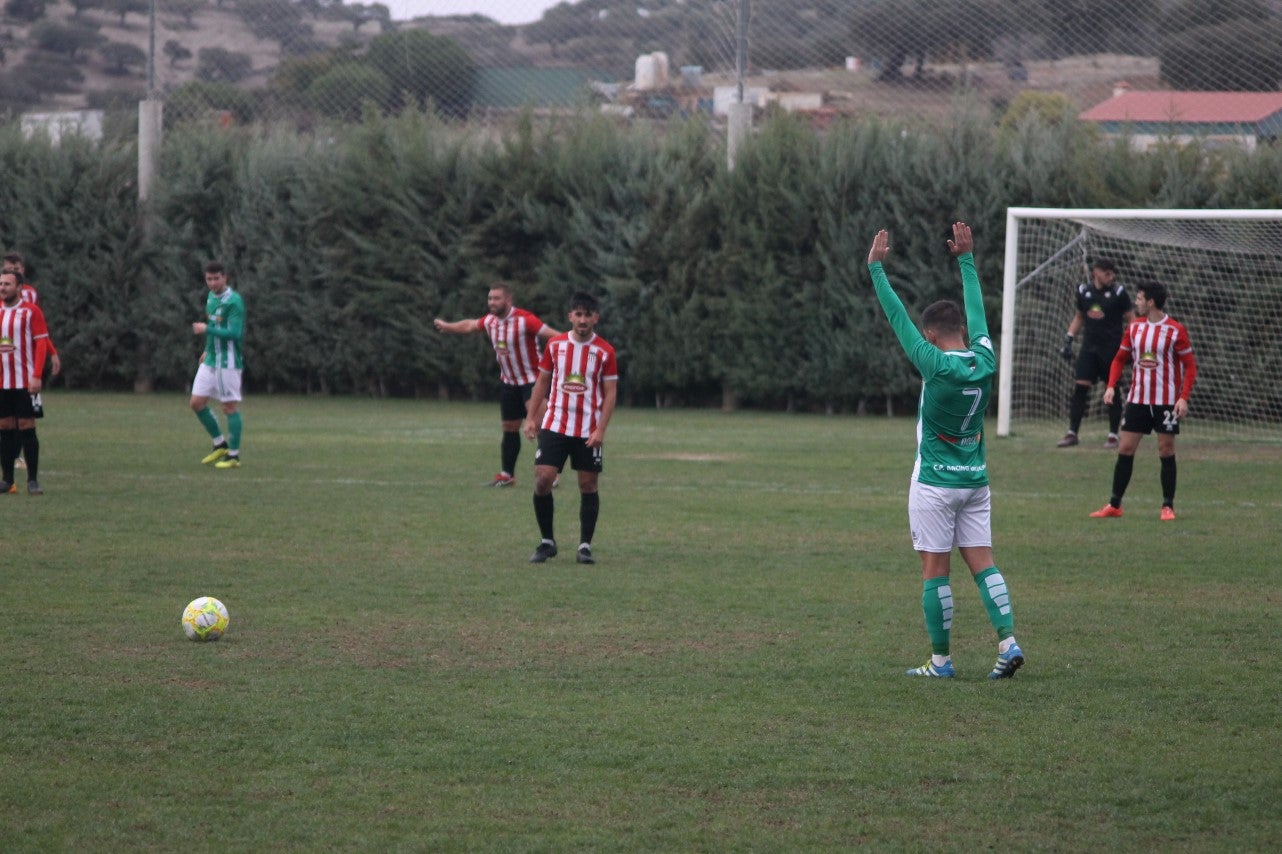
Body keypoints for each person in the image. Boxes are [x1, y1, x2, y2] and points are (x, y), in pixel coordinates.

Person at [866, 222, 1024, 680]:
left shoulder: (933, 364)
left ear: (931, 335)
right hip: (975, 480)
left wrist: (877, 269)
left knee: (935, 571)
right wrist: (967, 260)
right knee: (983, 562)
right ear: (961, 330)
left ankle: (941, 662)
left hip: (935, 483)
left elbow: (896, 316)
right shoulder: (985, 360)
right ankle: (1007, 641)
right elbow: (978, 313)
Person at [522, 291, 618, 565]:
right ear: (570, 316)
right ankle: (547, 542)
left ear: (596, 318)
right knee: (543, 478)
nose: (583, 319)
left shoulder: (605, 351)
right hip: (555, 424)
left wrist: (601, 429)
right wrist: (531, 418)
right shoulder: (555, 345)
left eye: (588, 314)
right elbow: (541, 383)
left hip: (588, 428)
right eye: (578, 314)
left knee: (588, 484)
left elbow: (610, 393)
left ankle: (584, 546)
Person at [1090, 279, 1196, 521]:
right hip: (1138, 399)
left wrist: (1183, 398)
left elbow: (1190, 366)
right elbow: (1119, 359)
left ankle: (1167, 506)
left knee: (1166, 450)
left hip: (1166, 401)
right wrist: (1110, 387)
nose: (1136, 302)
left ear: (1150, 302)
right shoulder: (1135, 328)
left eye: (1139, 298)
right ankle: (1114, 504)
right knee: (1125, 448)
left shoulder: (1175, 330)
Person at [434, 282, 560, 487]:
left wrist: (575, 349)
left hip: (533, 381)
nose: (492, 302)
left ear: (508, 300)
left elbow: (555, 336)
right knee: (510, 428)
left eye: (496, 298)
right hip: (509, 383)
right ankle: (507, 475)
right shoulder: (490, 321)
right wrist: (448, 327)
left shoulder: (525, 320)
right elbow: (470, 325)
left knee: (539, 425)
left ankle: (551, 471)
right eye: (490, 298)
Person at [1058, 257, 1133, 449]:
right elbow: (1079, 317)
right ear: (1096, 273)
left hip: (1112, 351)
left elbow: (1132, 320)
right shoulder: (1084, 292)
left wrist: (1135, 344)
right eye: (1107, 273)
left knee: (1112, 390)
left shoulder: (1119, 293)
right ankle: (1072, 433)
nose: (1111, 276)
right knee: (1080, 388)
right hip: (1089, 349)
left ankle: (1112, 435)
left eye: (1112, 273)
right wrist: (1068, 338)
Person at [3, 252, 63, 471]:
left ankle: (20, 458)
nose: (12, 271)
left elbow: (38, 331)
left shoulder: (30, 296)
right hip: (5, 369)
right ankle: (10, 464)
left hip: (25, 368)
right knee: (6, 421)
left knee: (26, 418)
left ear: (22, 272)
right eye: (8, 268)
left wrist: (52, 352)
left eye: (15, 268)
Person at [190, 261, 246, 469]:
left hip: (228, 361)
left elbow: (234, 333)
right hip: (212, 358)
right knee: (196, 403)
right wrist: (207, 348)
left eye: (216, 278)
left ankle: (234, 456)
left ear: (225, 278)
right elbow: (214, 325)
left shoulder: (234, 302)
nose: (212, 283)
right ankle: (219, 444)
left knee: (229, 407)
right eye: (209, 279)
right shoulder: (211, 298)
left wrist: (206, 330)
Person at [0, 269, 50, 495]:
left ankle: (32, 480)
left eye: (7, 284)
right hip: (3, 382)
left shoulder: (31, 312)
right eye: (1, 284)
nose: (2, 288)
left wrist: (37, 374)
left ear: (19, 287)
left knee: (27, 427)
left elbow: (41, 343)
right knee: (5, 428)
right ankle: (7, 480)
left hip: (25, 381)